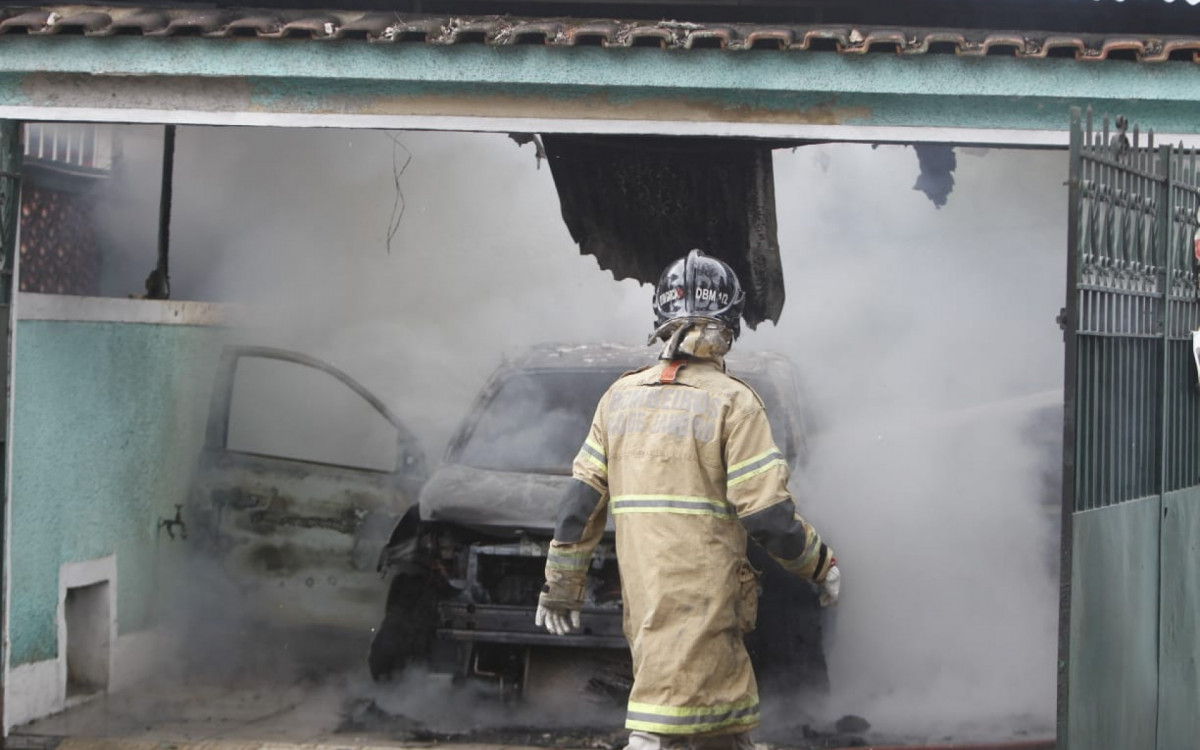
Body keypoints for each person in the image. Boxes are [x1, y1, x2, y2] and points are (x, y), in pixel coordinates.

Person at [535, 249, 841, 750]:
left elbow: (578, 507)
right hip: (709, 602)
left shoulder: (618, 399)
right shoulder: (734, 402)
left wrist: (562, 586)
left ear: (661, 316)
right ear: (732, 321)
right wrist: (819, 564)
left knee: (712, 719)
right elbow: (768, 516)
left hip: (647, 603)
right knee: (668, 721)